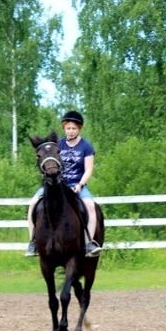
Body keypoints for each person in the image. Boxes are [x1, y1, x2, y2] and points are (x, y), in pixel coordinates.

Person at [25, 110, 102, 258]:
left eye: (74, 128)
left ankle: (89, 244)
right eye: (68, 128)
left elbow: (88, 170)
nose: (71, 131)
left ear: (79, 129)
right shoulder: (58, 145)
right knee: (33, 204)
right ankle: (32, 242)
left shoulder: (86, 147)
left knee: (90, 206)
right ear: (64, 128)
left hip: (77, 184)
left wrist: (80, 185)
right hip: (56, 184)